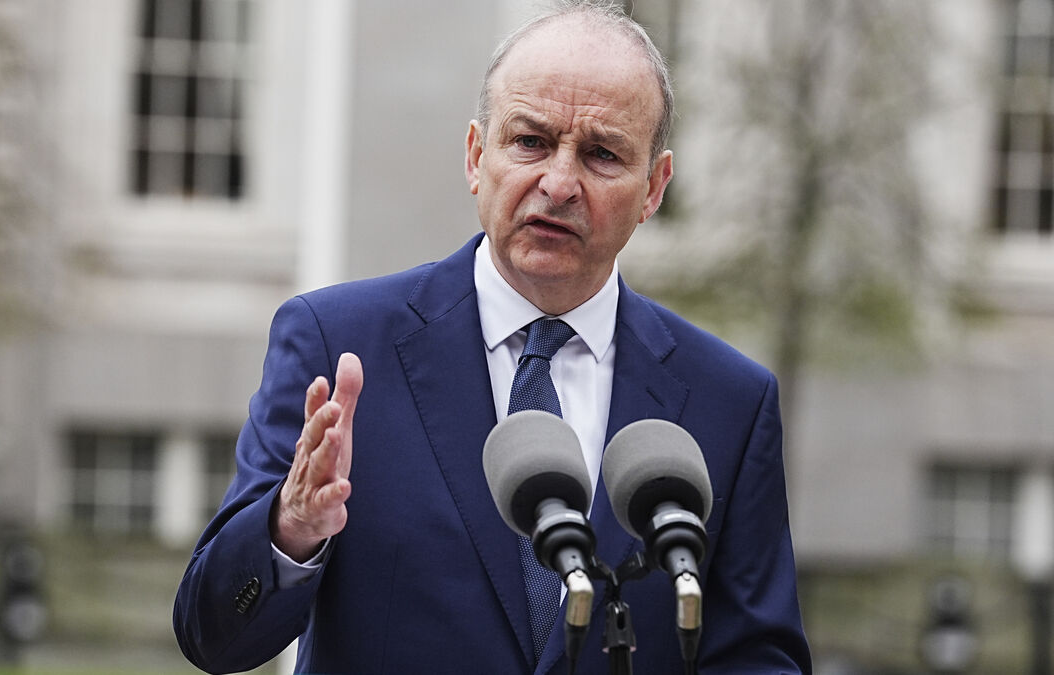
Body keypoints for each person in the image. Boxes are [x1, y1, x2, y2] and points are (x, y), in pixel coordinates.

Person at [174, 3, 811, 674]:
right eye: (531, 141)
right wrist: (291, 529)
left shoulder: (728, 402)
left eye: (601, 154)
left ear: (653, 188)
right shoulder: (338, 345)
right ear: (477, 156)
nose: (559, 184)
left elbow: (758, 658)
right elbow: (213, 637)